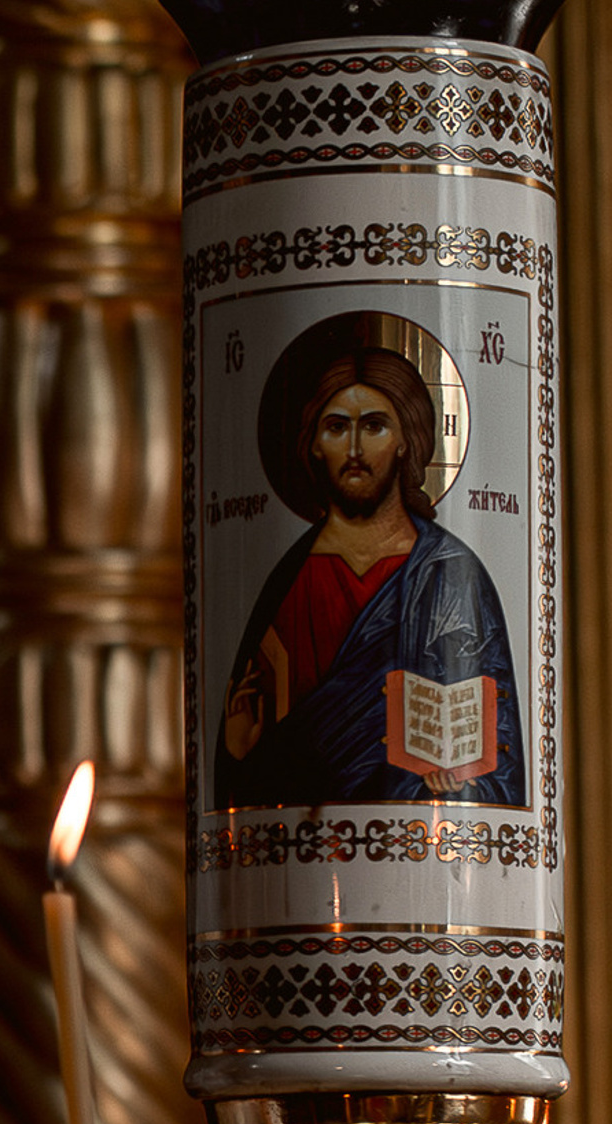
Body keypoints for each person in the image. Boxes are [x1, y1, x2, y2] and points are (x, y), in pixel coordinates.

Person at [212, 324, 524, 811]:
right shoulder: (287, 584)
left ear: (406, 440)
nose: (354, 449)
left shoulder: (449, 574)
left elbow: (499, 758)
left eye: (374, 425)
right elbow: (249, 784)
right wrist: (239, 752)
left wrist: (462, 784)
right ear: (314, 443)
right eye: (337, 427)